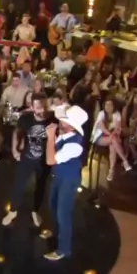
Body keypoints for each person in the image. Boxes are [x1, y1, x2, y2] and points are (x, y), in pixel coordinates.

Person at [43, 104, 88, 261]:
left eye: (64, 121)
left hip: (68, 180)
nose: (60, 122)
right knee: (53, 206)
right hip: (58, 176)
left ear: (71, 126)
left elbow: (50, 160)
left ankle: (64, 249)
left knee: (63, 214)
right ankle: (56, 233)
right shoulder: (64, 135)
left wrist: (50, 137)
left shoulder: (75, 145)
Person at [2, 94, 53, 228]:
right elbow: (16, 132)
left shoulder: (51, 119)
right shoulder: (26, 118)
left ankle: (35, 211)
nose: (38, 110)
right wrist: (14, 150)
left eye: (40, 107)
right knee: (19, 184)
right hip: (27, 157)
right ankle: (13, 211)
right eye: (35, 107)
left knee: (40, 186)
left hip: (43, 161)